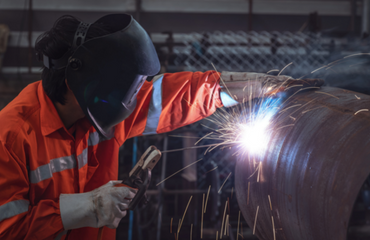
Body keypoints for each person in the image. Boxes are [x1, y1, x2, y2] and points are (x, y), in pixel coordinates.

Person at [0, 13, 322, 240]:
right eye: (129, 87)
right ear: (86, 83)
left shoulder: (99, 113)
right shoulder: (10, 135)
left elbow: (182, 96)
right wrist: (88, 207)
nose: (135, 97)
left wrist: (259, 87)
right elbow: (8, 229)